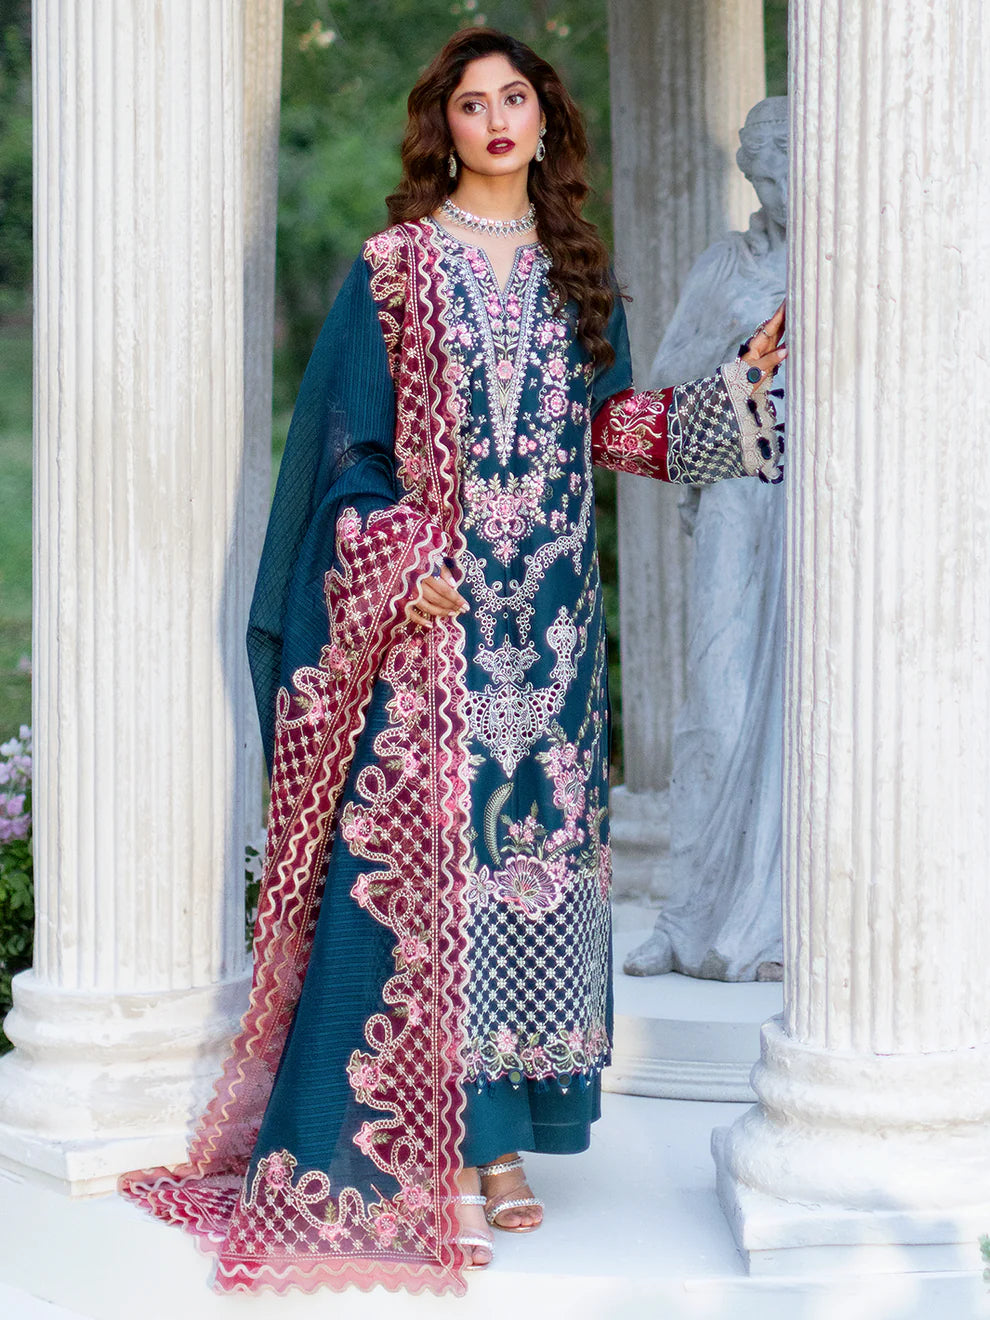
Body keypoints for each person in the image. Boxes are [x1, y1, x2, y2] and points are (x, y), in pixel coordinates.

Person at [119, 28, 784, 1295]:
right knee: (444, 874)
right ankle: (446, 1157)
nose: (496, 119)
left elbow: (603, 430)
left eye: (515, 97)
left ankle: (502, 1140)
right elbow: (346, 455)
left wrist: (729, 401)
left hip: (554, 642)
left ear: (545, 122)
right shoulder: (396, 274)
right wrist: (394, 550)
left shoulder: (580, 275)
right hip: (434, 637)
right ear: (447, 126)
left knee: (530, 875)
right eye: (472, 103)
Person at [625, 96, 788, 983]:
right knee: (716, 707)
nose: (781, 181)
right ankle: (687, 917)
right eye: (768, 164)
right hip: (738, 480)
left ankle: (780, 920)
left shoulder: (852, 258)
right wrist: (741, 362)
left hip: (823, 501)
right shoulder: (727, 263)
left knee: (807, 705)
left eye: (791, 159)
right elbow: (667, 383)